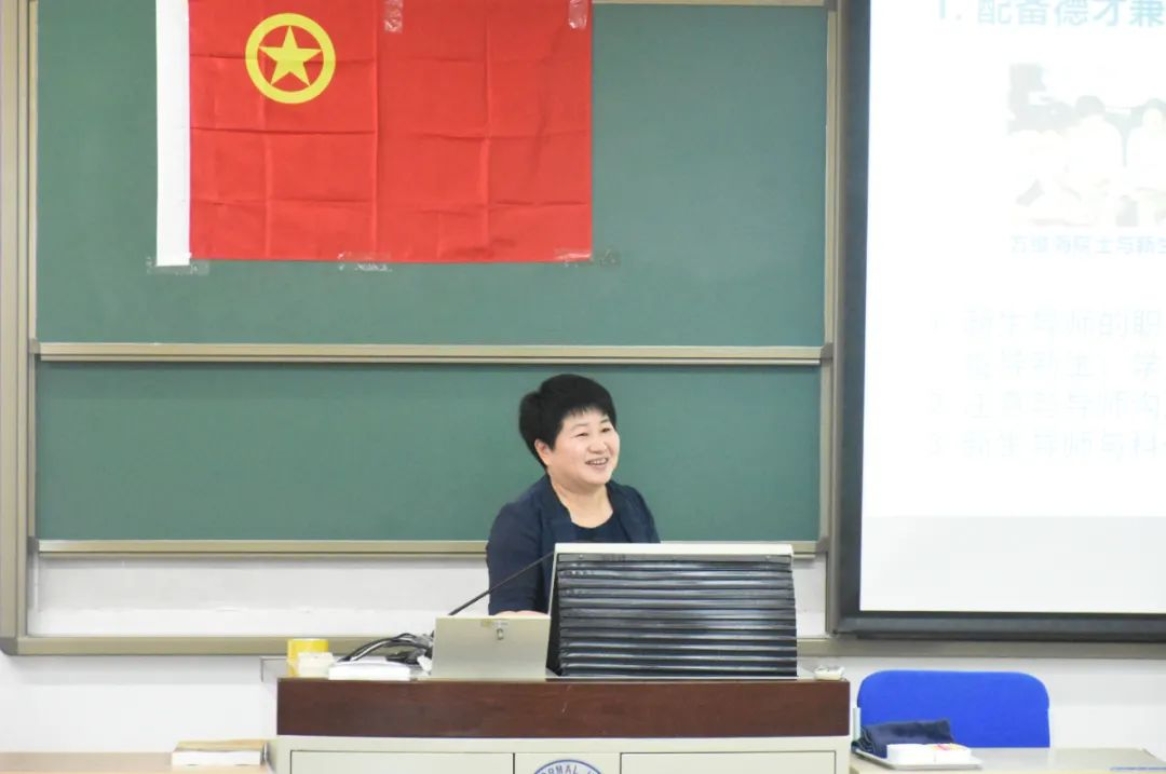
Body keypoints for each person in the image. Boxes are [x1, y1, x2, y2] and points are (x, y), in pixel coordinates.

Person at [485, 374, 660, 614]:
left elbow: (657, 591)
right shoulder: (520, 519)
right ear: (545, 450)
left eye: (605, 429)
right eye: (582, 435)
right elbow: (509, 618)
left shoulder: (632, 503)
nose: (599, 446)